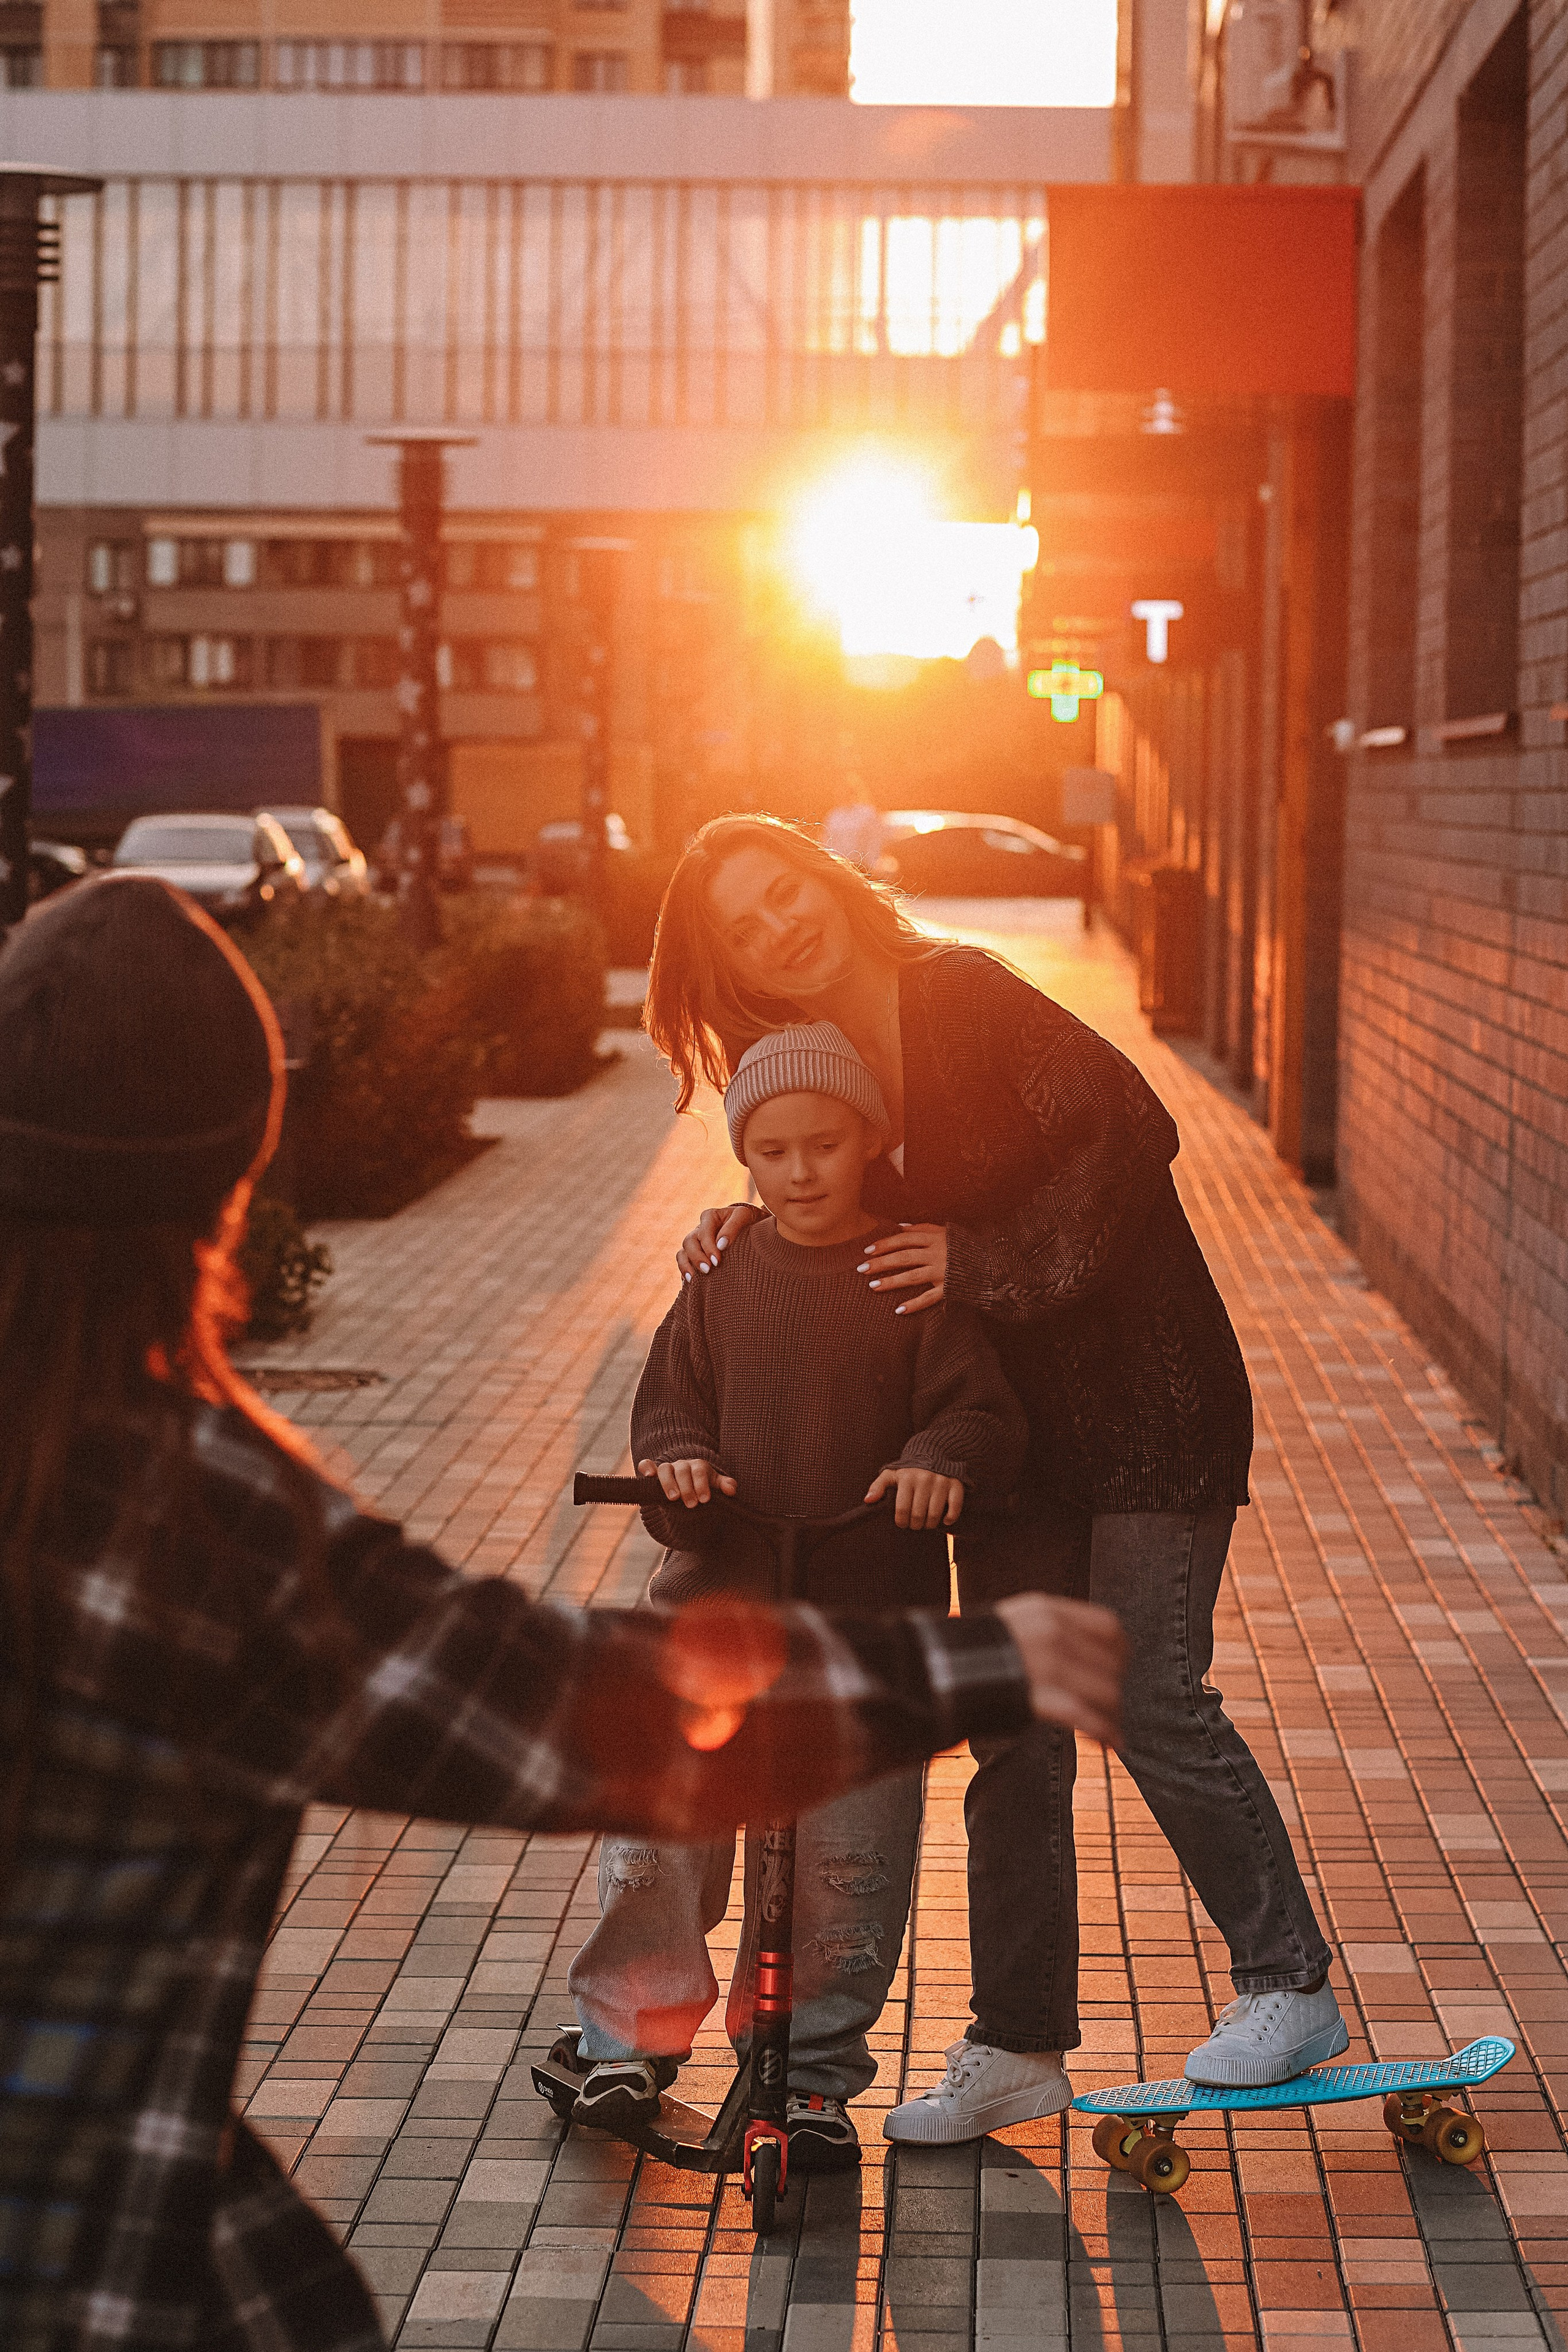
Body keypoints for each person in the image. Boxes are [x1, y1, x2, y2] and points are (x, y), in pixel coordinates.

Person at [0, 874, 1123, 2352]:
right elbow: (545, 1707)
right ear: (229, 1186)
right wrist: (980, 1660)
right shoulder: (170, 1512)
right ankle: (636, 2039)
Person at [646, 813, 1345, 2141]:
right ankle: (1017, 2046)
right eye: (742, 923)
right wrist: (747, 1217)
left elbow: (1132, 1133)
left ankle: (1287, 1981)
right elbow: (827, 1191)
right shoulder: (832, 1062)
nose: (774, 925)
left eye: (781, 890)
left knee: (1144, 1689)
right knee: (1014, 1734)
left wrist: (985, 1262)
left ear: (828, 882)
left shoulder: (955, 993)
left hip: (1147, 1401)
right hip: (1017, 1435)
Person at [567, 1022, 1028, 2173]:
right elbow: (667, 1405)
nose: (802, 1170)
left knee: (849, 1860)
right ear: (745, 1161)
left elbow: (982, 1414)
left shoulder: (909, 1278)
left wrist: (940, 1459)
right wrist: (676, 1464)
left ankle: (813, 2079)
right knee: (663, 1825)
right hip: (715, 1616)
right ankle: (629, 2037)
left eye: (824, 1144)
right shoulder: (722, 1280)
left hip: (866, 1623)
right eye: (772, 1152)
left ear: (869, 1139)